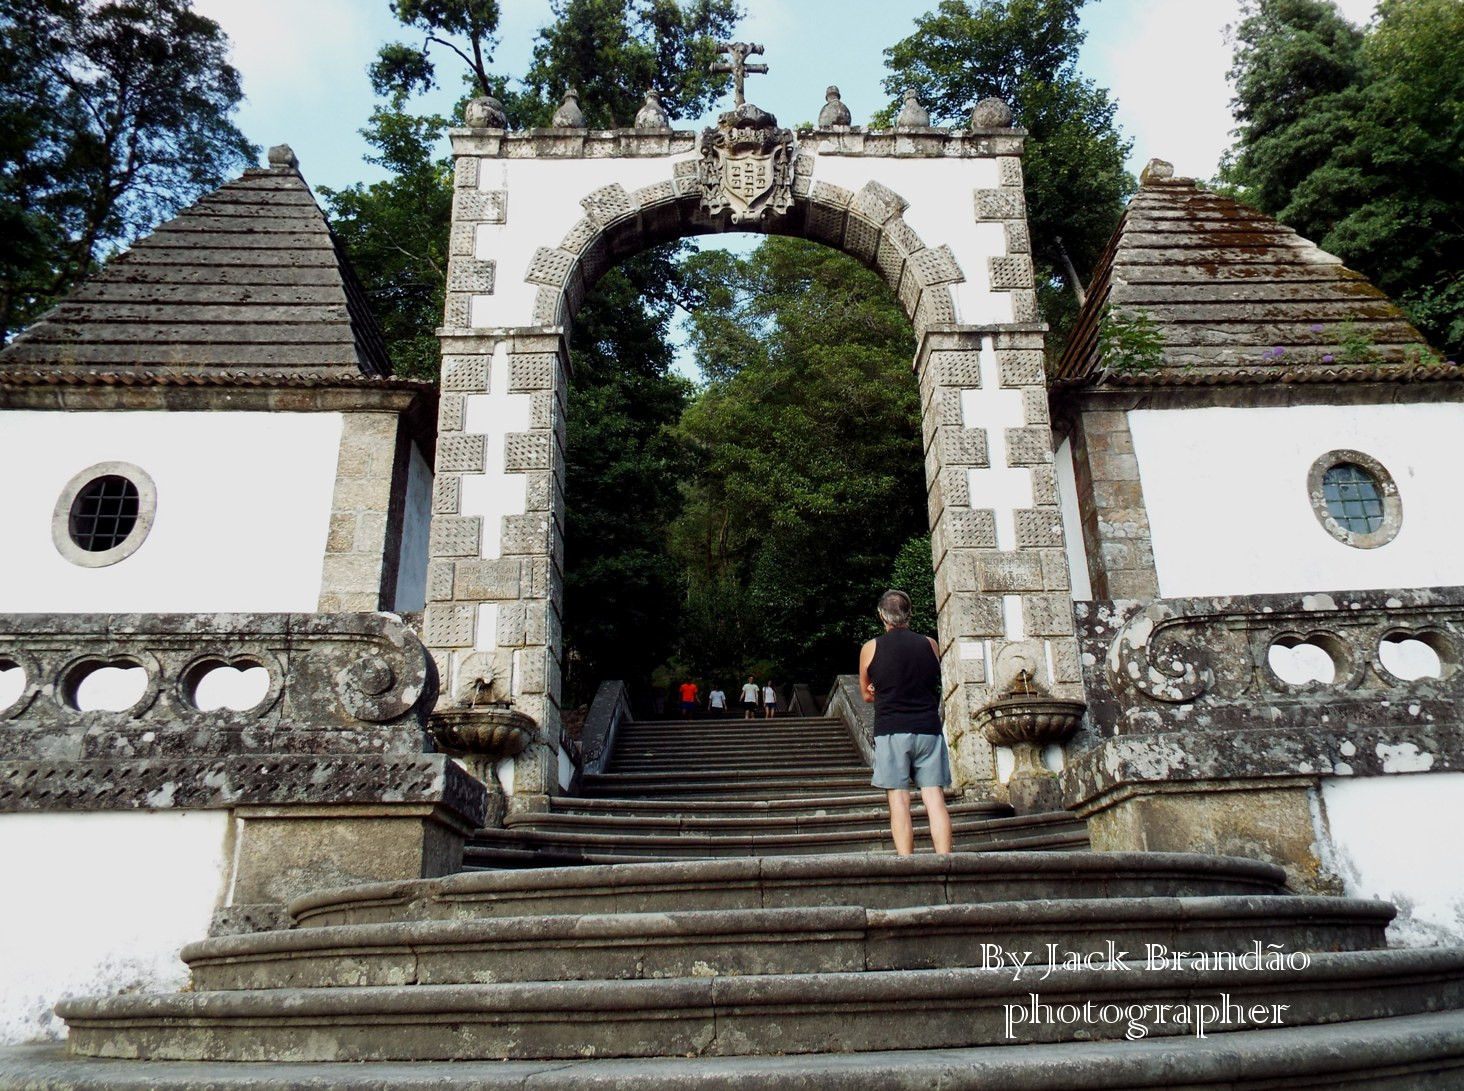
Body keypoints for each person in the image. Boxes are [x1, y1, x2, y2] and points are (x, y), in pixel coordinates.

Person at [858, 589, 954, 855]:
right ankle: (946, 860)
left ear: (881, 616)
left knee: (899, 799)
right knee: (934, 798)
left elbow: (866, 694)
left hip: (891, 730)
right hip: (928, 728)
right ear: (909, 614)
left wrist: (878, 689)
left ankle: (907, 861)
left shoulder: (871, 648)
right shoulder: (930, 644)